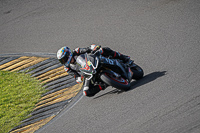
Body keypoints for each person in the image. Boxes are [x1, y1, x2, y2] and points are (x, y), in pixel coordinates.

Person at [57, 44, 130, 97]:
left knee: (103, 50)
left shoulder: (76, 51)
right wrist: (80, 78)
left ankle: (123, 57)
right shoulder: (67, 68)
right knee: (86, 92)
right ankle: (104, 85)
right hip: (87, 74)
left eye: (64, 59)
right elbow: (75, 76)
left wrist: (94, 48)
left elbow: (87, 48)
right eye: (62, 61)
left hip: (92, 62)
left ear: (68, 54)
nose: (64, 61)